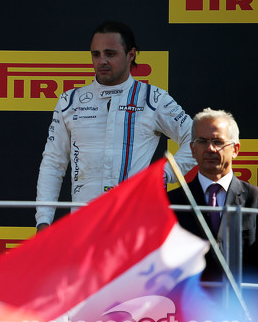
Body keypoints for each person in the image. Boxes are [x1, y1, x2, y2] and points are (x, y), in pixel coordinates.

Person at [35, 21, 195, 230]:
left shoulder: (153, 99)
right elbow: (53, 163)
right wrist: (43, 220)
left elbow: (196, 140)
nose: (102, 61)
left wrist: (164, 174)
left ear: (131, 55)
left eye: (110, 54)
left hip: (135, 224)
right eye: (96, 54)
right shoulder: (70, 101)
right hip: (84, 225)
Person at [168, 109, 258, 285]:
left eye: (218, 142)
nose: (210, 148)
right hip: (189, 308)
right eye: (202, 141)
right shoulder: (171, 203)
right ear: (192, 149)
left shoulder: (255, 201)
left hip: (243, 307)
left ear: (235, 149)